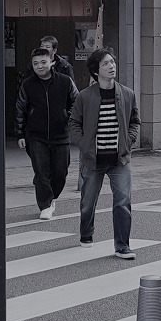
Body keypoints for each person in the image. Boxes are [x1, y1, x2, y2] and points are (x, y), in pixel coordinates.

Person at [68, 47, 140, 258]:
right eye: (106, 63)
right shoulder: (85, 96)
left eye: (112, 62)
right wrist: (83, 144)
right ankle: (86, 234)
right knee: (88, 202)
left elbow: (135, 121)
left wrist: (129, 140)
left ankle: (122, 246)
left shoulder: (127, 94)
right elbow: (73, 122)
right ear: (96, 70)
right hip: (93, 159)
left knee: (123, 202)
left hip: (120, 159)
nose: (112, 66)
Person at [15, 47, 78, 219]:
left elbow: (76, 101)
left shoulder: (65, 81)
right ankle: (45, 204)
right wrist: (20, 133)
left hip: (61, 134)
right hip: (36, 135)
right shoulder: (27, 85)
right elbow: (21, 108)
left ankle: (51, 198)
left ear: (51, 62)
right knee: (41, 172)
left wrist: (68, 117)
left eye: (43, 62)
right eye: (36, 64)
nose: (40, 66)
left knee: (60, 172)